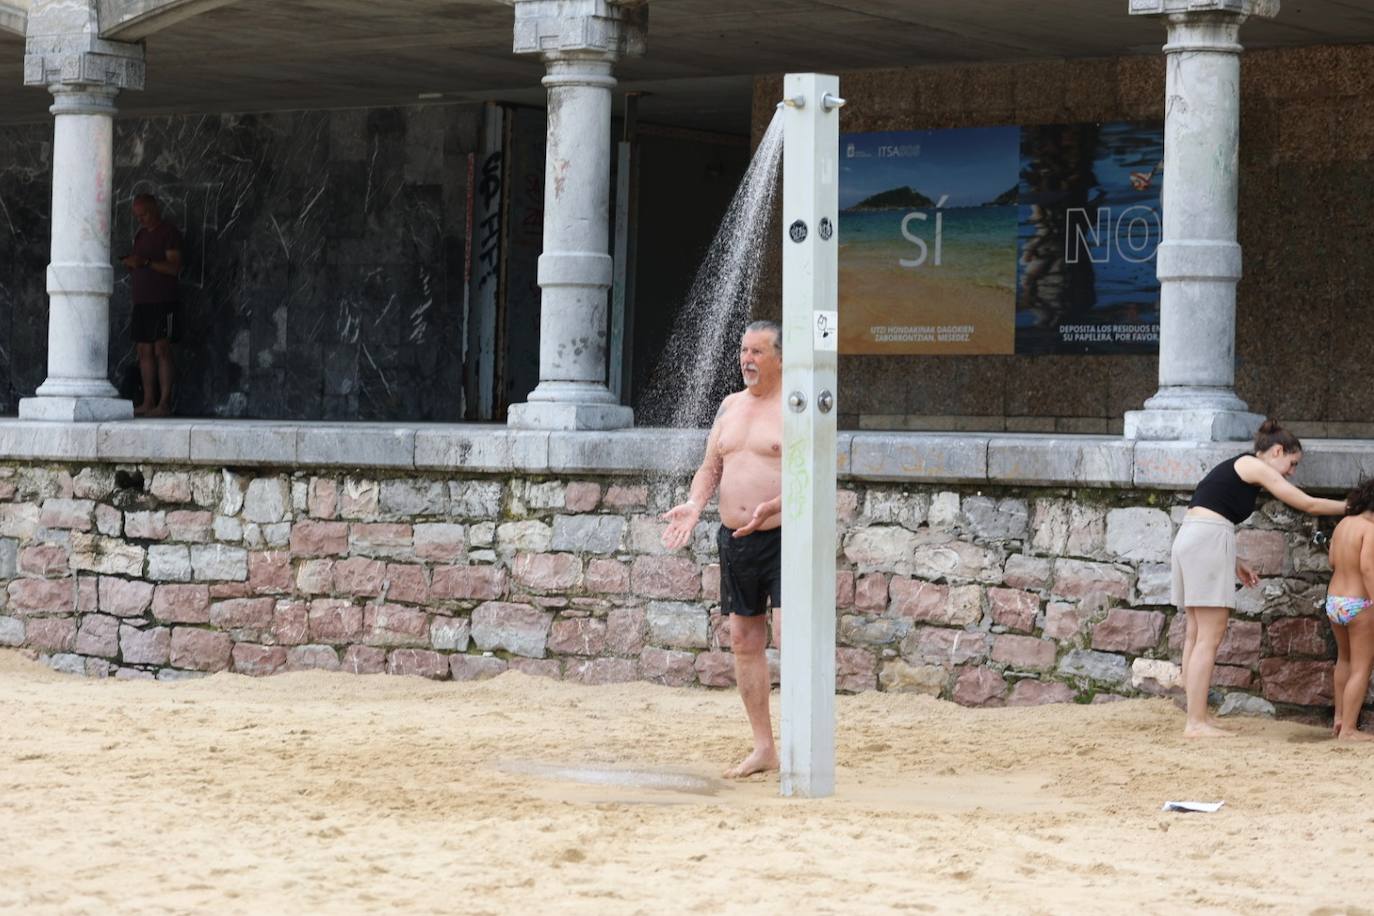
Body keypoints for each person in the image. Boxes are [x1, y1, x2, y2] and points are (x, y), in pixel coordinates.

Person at [661, 320, 783, 778]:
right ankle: (764, 747)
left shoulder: (795, 406)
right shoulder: (729, 406)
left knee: (792, 640)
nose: (746, 360)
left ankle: (804, 743)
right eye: (743, 351)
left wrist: (775, 504)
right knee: (743, 641)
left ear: (780, 358)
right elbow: (710, 467)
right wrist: (695, 505)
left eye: (757, 352)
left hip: (784, 536)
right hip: (736, 539)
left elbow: (810, 473)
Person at [1171, 419, 1346, 738]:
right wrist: (1354, 507)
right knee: (1210, 634)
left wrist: (1234, 560)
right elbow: (1306, 503)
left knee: (1196, 633)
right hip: (1207, 539)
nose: (1291, 471)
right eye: (1292, 463)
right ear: (1277, 450)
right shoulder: (1254, 464)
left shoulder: (1239, 467)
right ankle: (1196, 722)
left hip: (1194, 537)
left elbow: (1208, 510)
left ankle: (1196, 716)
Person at [120, 193, 183, 416]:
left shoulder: (169, 233)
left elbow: (174, 267)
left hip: (163, 300)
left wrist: (146, 262)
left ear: (155, 209)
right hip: (142, 301)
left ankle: (164, 403)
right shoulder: (140, 236)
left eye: (144, 214)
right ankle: (148, 401)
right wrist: (133, 264)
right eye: (137, 216)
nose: (141, 219)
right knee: (143, 350)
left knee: (161, 349)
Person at [1325, 478, 1374, 741]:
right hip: (1360, 604)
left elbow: (1332, 560)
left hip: (1334, 601)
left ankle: (1339, 719)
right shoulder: (1370, 530)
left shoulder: (1343, 524)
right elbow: (1368, 569)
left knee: (1344, 660)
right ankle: (1350, 730)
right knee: (1361, 667)